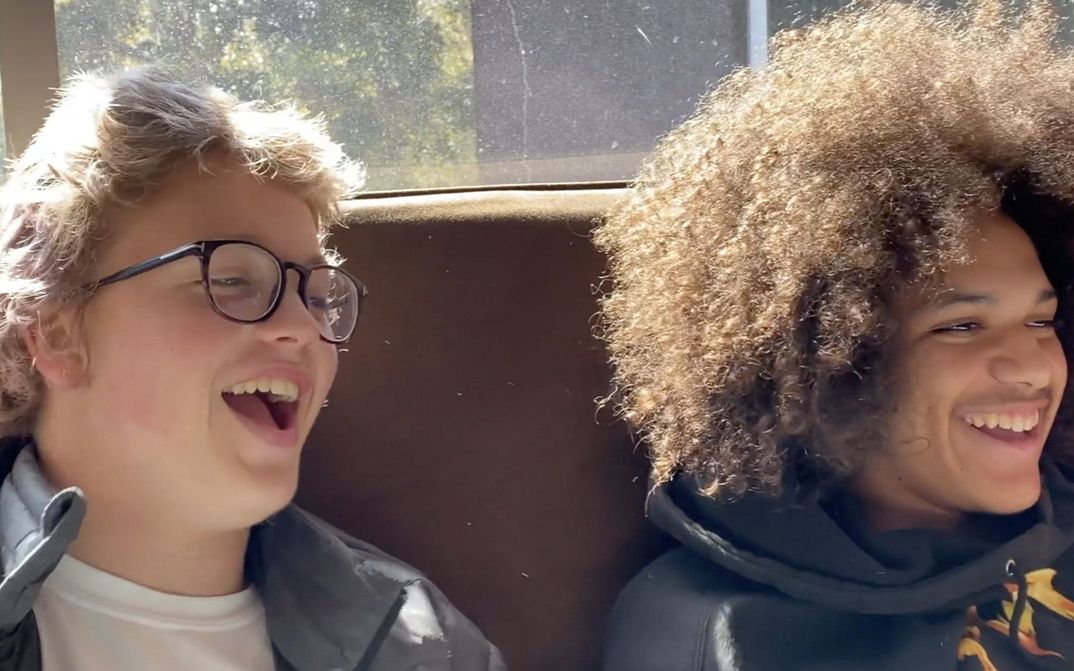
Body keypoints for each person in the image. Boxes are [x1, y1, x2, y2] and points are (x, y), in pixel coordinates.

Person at [597, 1, 1074, 669]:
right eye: (961, 325)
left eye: (1041, 320)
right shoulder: (716, 631)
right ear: (839, 363)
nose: (1032, 366)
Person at [0, 67, 505, 671]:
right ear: (57, 334)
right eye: (231, 279)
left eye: (317, 295)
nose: (301, 324)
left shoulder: (422, 643)